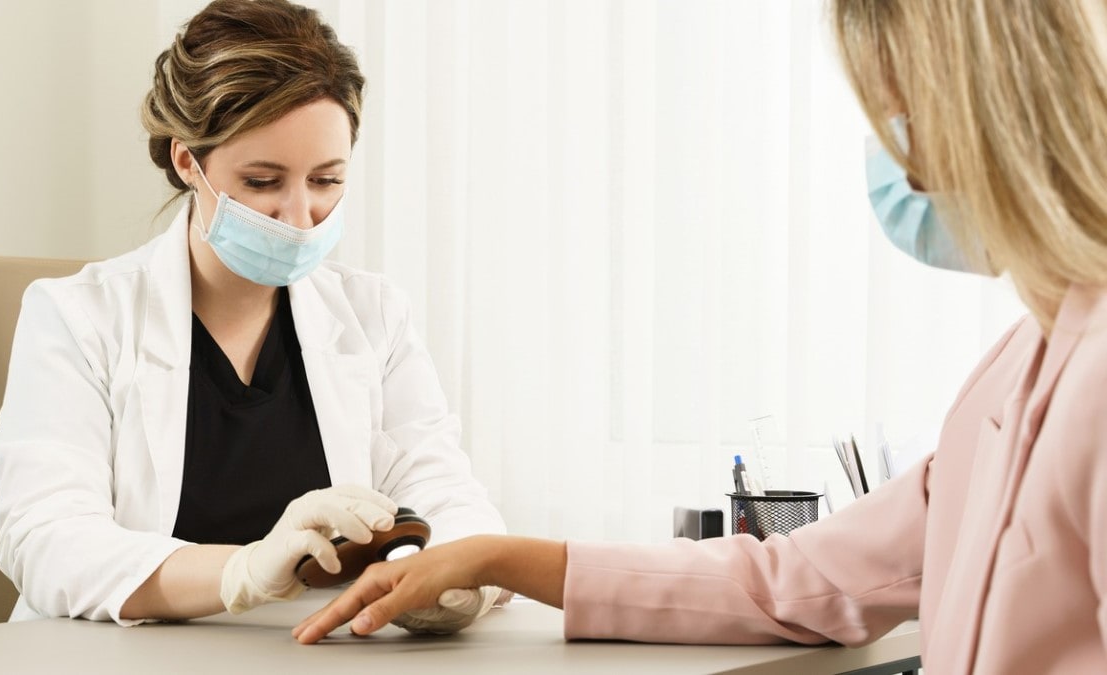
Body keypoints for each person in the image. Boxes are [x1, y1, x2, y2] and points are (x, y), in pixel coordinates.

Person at [292, 0, 1107, 670]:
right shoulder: (1016, 371)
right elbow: (797, 578)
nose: (897, 168)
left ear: (992, 115)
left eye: (897, 121)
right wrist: (498, 556)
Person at [0, 0, 504, 634]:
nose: (299, 215)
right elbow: (45, 540)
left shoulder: (374, 314)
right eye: (262, 181)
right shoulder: (75, 316)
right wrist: (242, 572)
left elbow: (444, 489)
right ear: (187, 162)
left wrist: (457, 573)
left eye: (326, 179)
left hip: (318, 648)